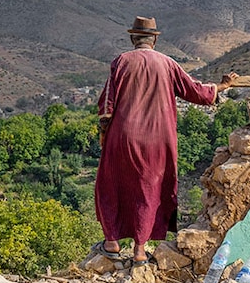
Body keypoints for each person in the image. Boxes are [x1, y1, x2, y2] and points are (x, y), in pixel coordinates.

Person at [93, 16, 238, 265]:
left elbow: (107, 105)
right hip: (159, 140)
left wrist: (105, 134)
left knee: (111, 185)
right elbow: (196, 91)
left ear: (132, 38)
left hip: (124, 136)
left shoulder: (122, 61)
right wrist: (223, 86)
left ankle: (112, 243)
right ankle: (140, 250)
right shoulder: (168, 64)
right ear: (155, 39)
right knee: (151, 189)